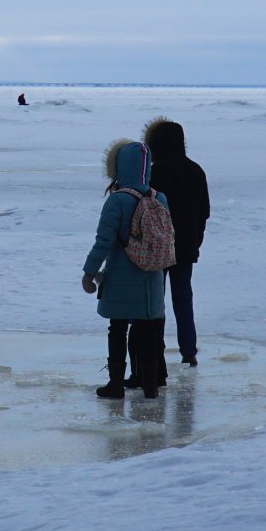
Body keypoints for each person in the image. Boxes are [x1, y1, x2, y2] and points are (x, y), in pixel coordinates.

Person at [81, 139, 167, 398]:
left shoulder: (117, 201)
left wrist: (89, 273)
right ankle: (150, 385)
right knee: (148, 330)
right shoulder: (159, 198)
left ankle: (116, 383)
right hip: (152, 277)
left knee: (117, 329)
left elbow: (103, 242)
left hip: (121, 276)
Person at [143, 117, 211, 367]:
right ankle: (189, 350)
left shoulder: (155, 170)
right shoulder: (195, 170)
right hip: (186, 247)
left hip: (157, 247)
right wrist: (196, 241)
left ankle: (155, 349)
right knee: (183, 298)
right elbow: (204, 211)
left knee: (155, 300)